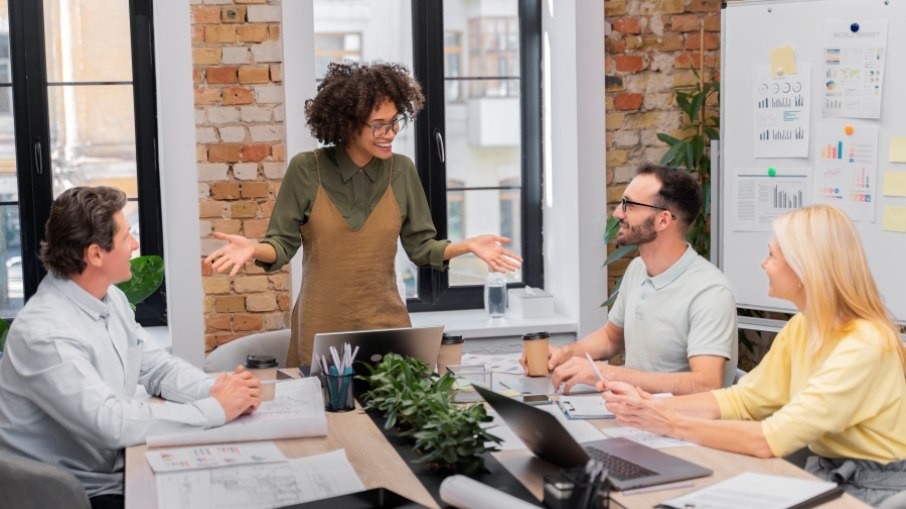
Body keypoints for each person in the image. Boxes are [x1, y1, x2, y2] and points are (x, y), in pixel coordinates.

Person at [205, 62, 521, 367]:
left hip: (387, 328)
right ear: (348, 123)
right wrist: (252, 247)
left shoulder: (402, 171)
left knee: (395, 416)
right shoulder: (307, 169)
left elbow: (423, 248)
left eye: (395, 121)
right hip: (320, 329)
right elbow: (281, 244)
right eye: (378, 125)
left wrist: (468, 246)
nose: (391, 133)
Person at [602, 205, 906, 506]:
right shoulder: (803, 326)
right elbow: (742, 400)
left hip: (875, 492)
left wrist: (669, 422)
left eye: (772, 255)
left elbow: (768, 439)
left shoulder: (866, 344)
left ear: (805, 268)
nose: (763, 263)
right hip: (828, 474)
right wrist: (647, 406)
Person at [0, 187, 261, 509]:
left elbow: (157, 367)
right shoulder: (45, 333)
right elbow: (111, 423)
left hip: (121, 465)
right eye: (127, 237)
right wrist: (216, 408)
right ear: (96, 254)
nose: (136, 244)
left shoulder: (111, 299)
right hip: (78, 494)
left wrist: (220, 390)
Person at [522, 163, 737, 395]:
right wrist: (564, 355)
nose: (617, 214)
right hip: (634, 413)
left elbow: (706, 383)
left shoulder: (710, 292)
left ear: (663, 221)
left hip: (680, 424)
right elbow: (611, 337)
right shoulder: (638, 268)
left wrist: (608, 374)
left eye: (630, 205)